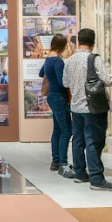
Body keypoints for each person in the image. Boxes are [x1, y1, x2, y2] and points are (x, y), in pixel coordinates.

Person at [62, 28, 112, 191]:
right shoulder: (94, 59)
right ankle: (96, 179)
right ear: (93, 43)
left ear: (78, 41)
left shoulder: (69, 60)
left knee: (78, 140)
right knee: (94, 142)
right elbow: (108, 80)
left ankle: (80, 173)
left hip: (76, 107)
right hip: (93, 108)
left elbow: (65, 83)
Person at [39, 34, 73, 174]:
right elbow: (62, 82)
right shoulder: (58, 61)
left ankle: (55, 161)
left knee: (58, 130)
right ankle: (63, 163)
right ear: (63, 46)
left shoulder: (48, 59)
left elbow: (42, 73)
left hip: (52, 97)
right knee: (66, 131)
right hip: (59, 97)